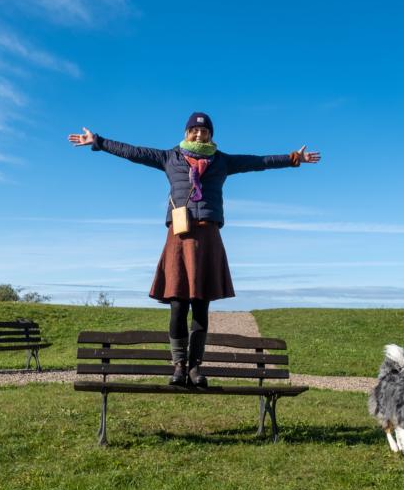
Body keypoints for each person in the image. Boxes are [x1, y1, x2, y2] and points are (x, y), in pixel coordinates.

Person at [68, 112, 321, 387]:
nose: (199, 135)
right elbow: (134, 152)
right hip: (180, 237)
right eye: (194, 131)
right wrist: (99, 141)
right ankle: (178, 366)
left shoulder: (222, 161)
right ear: (187, 133)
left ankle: (195, 369)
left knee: (201, 308)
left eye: (204, 131)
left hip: (208, 237)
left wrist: (293, 158)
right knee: (178, 306)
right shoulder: (170, 158)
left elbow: (257, 162)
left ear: (210, 134)